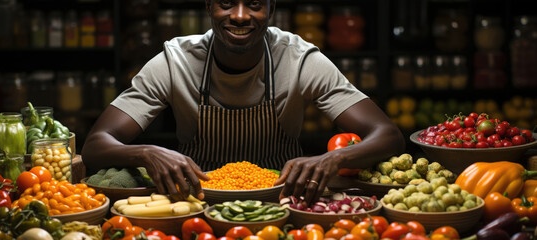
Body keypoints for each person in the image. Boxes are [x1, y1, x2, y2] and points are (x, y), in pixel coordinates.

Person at [82, 0, 405, 202]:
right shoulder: (175, 61)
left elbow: (388, 135)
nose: (239, 16)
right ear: (209, 6)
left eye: (253, 4)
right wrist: (146, 152)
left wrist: (333, 159)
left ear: (271, 8)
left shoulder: (299, 59)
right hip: (196, 201)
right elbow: (95, 146)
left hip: (284, 200)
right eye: (226, 3)